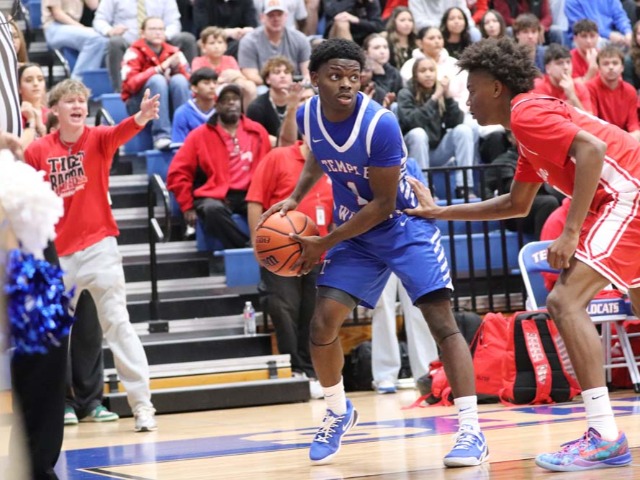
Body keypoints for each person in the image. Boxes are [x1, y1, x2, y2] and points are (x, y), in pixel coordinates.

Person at [406, 36, 635, 472]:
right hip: (625, 194)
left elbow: (593, 150)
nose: (468, 101)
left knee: (564, 302)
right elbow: (516, 204)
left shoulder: (526, 112)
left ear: (496, 87)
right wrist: (440, 211)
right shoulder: (527, 130)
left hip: (628, 194)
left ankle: (605, 435)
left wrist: (571, 232)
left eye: (472, 89)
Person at [259, 38, 488, 467]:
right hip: (356, 230)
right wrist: (295, 197)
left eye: (353, 76)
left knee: (441, 323)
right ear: (314, 79)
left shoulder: (380, 124)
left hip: (403, 224)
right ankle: (337, 411)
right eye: (335, 76)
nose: (346, 84)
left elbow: (383, 205)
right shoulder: (308, 114)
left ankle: (471, 431)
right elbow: (319, 157)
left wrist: (325, 242)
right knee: (322, 324)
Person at [24, 79, 159, 433]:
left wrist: (142, 117)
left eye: (81, 101)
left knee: (119, 325)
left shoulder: (98, 138)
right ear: (55, 110)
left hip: (100, 247)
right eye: (70, 101)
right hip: (59, 255)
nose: (77, 106)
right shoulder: (38, 150)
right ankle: (56, 408)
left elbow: (123, 130)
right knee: (53, 337)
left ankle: (143, 407)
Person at [246, 138, 333, 400]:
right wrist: (258, 243)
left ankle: (310, 371)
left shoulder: (332, 163)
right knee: (284, 308)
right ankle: (292, 368)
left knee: (313, 314)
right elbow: (254, 201)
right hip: (280, 251)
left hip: (318, 252)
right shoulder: (278, 157)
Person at [167, 84, 271, 249]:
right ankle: (245, 249)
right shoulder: (199, 135)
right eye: (225, 100)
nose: (232, 103)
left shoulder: (257, 131)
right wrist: (187, 206)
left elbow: (270, 169)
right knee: (211, 209)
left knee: (276, 208)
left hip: (252, 193)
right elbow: (178, 173)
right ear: (216, 105)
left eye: (235, 99)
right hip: (216, 194)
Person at [370, 159, 438, 394]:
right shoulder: (365, 164)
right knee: (382, 307)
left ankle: (426, 371)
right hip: (378, 241)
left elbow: (427, 203)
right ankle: (384, 375)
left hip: (410, 241)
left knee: (419, 306)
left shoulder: (411, 165)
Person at [397, 56, 475, 197]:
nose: (428, 74)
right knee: (418, 133)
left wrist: (449, 97)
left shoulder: (440, 92)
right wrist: (434, 99)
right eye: (423, 71)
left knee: (463, 130)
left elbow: (456, 122)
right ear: (415, 74)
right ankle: (424, 189)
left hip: (436, 151)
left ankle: (464, 187)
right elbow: (412, 122)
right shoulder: (405, 93)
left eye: (431, 70)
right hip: (413, 153)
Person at [92, 0, 198, 93]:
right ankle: (120, 91)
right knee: (115, 42)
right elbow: (99, 20)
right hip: (128, 42)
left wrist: (161, 35)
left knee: (187, 39)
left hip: (161, 42)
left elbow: (174, 23)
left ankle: (194, 87)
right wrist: (110, 31)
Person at [121, 16, 191, 150]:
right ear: (142, 33)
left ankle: (184, 134)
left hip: (168, 103)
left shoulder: (174, 52)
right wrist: (158, 69)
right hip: (139, 105)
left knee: (179, 80)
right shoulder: (133, 52)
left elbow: (190, 82)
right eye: (153, 29)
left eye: (161, 29)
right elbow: (130, 85)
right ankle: (161, 136)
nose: (158, 32)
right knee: (157, 80)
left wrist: (178, 70)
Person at [238, 0, 310, 87]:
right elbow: (251, 75)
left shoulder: (300, 39)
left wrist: (297, 85)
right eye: (271, 15)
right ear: (262, 17)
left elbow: (307, 73)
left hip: (294, 86)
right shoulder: (249, 41)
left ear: (286, 16)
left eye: (279, 14)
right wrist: (276, 85)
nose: (276, 19)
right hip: (263, 87)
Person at [42, 0, 108, 80]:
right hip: (54, 27)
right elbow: (57, 13)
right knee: (96, 39)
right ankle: (78, 80)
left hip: (73, 28)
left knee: (105, 39)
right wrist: (81, 27)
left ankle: (95, 80)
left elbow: (94, 6)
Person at [192, 26, 257, 107]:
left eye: (220, 42)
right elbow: (197, 81)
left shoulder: (230, 59)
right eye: (212, 43)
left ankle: (249, 114)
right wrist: (221, 80)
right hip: (209, 91)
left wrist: (237, 77)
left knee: (249, 85)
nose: (216, 46)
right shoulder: (198, 61)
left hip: (230, 89)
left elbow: (239, 77)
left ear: (226, 46)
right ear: (204, 47)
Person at [586, 45, 640, 141]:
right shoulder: (589, 88)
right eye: (606, 64)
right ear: (599, 68)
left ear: (622, 67)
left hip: (625, 138)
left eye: (615, 63)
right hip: (600, 138)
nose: (611, 67)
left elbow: (634, 125)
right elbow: (593, 123)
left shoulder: (630, 90)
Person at [246, 55, 295, 146]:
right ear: (268, 79)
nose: (282, 75)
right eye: (277, 72)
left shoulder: (299, 102)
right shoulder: (256, 107)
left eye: (286, 72)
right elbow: (255, 137)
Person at [532, 44, 593, 113]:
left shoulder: (580, 88)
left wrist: (573, 97)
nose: (566, 67)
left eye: (568, 62)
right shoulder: (538, 87)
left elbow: (590, 118)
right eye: (560, 63)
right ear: (548, 68)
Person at [171, 67, 218, 143]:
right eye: (206, 83)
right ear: (194, 88)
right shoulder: (182, 113)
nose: (212, 86)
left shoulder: (222, 111)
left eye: (215, 83)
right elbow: (178, 146)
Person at [566, 0, 632, 49]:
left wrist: (627, 32)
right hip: (586, 36)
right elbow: (581, 26)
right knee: (597, 43)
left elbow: (620, 16)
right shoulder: (572, 1)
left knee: (632, 42)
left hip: (614, 35)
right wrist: (608, 34)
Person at [570, 19, 600, 83]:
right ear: (575, 39)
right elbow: (573, 86)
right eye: (584, 36)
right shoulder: (569, 58)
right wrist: (591, 71)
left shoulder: (605, 56)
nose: (589, 41)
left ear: (597, 37)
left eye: (592, 36)